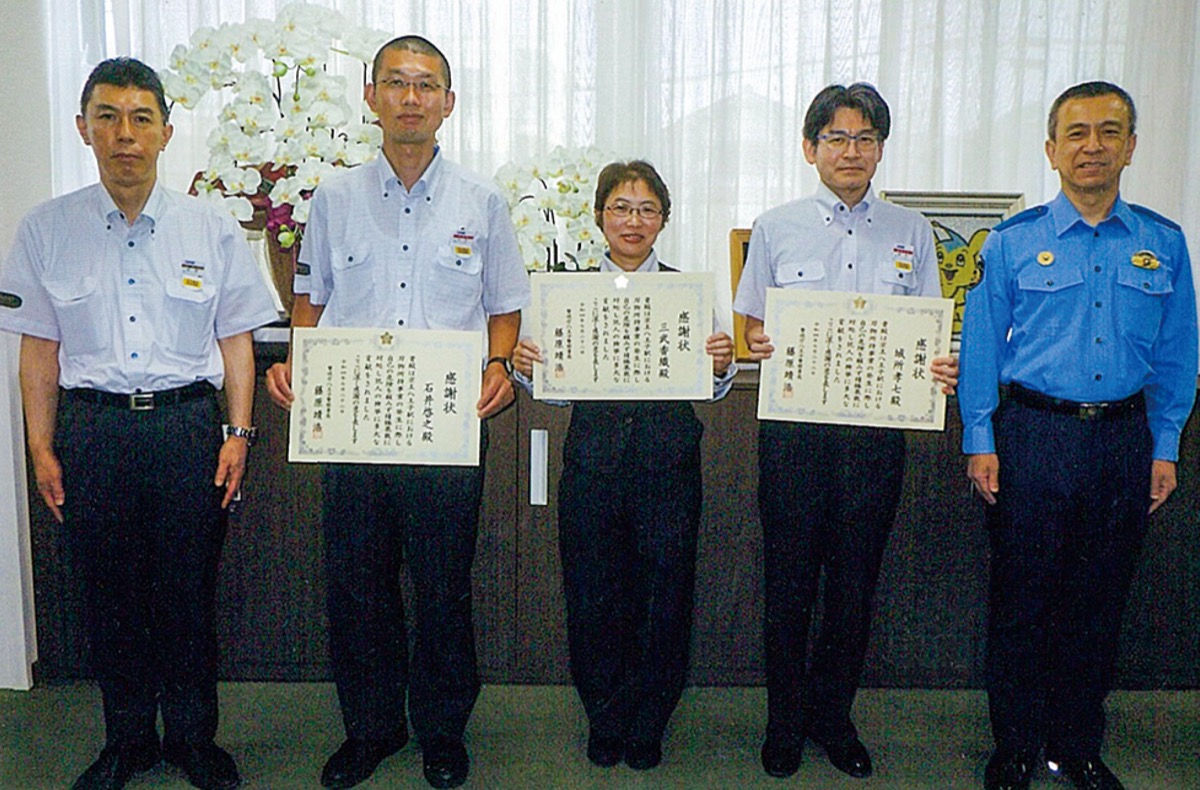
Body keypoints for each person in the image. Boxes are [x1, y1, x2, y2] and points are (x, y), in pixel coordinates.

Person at [0, 58, 278, 790]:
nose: (125, 134)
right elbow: (38, 350)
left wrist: (239, 434)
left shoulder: (210, 227)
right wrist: (40, 446)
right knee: (109, 598)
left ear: (166, 133)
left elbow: (236, 340)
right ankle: (126, 741)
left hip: (187, 431)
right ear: (84, 128)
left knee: (188, 595)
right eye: (108, 117)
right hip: (93, 433)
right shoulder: (46, 229)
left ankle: (192, 739)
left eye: (141, 118)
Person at [264, 36, 528, 790]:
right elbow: (310, 300)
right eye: (397, 83)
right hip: (356, 427)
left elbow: (504, 306)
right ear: (371, 96)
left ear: (449, 103)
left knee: (444, 586)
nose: (411, 98)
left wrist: (498, 365)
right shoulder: (333, 199)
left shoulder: (482, 202)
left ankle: (442, 730)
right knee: (358, 585)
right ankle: (371, 729)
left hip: (445, 426)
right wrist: (298, 364)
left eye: (427, 85)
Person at [958, 81, 1197, 790]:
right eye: (1077, 133)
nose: (1093, 146)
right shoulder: (1013, 241)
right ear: (1051, 149)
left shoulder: (1164, 242)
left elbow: (1177, 353)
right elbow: (981, 346)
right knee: (1021, 601)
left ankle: (1078, 746)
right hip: (1032, 436)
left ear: (1131, 146)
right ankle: (1016, 747)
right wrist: (979, 436)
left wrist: (1165, 444)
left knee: (1099, 603)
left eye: (1109, 132)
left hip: (1123, 440)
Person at [733, 83, 958, 781]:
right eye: (836, 138)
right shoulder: (775, 227)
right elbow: (750, 328)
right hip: (794, 436)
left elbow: (928, 328)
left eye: (865, 139)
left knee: (855, 587)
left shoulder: (912, 231)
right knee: (789, 584)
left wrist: (939, 364)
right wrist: (759, 342)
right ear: (810, 149)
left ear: (881, 150)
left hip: (875, 437)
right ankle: (783, 722)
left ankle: (833, 718)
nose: (851, 151)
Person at [512, 160, 736, 771]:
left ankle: (649, 720)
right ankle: (604, 717)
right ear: (599, 216)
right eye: (620, 207)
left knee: (665, 596)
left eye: (646, 209)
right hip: (593, 467)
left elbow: (714, 385)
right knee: (592, 595)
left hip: (669, 467)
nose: (633, 221)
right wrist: (528, 369)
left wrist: (721, 365)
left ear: (663, 220)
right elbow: (553, 391)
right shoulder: (568, 294)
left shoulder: (688, 294)